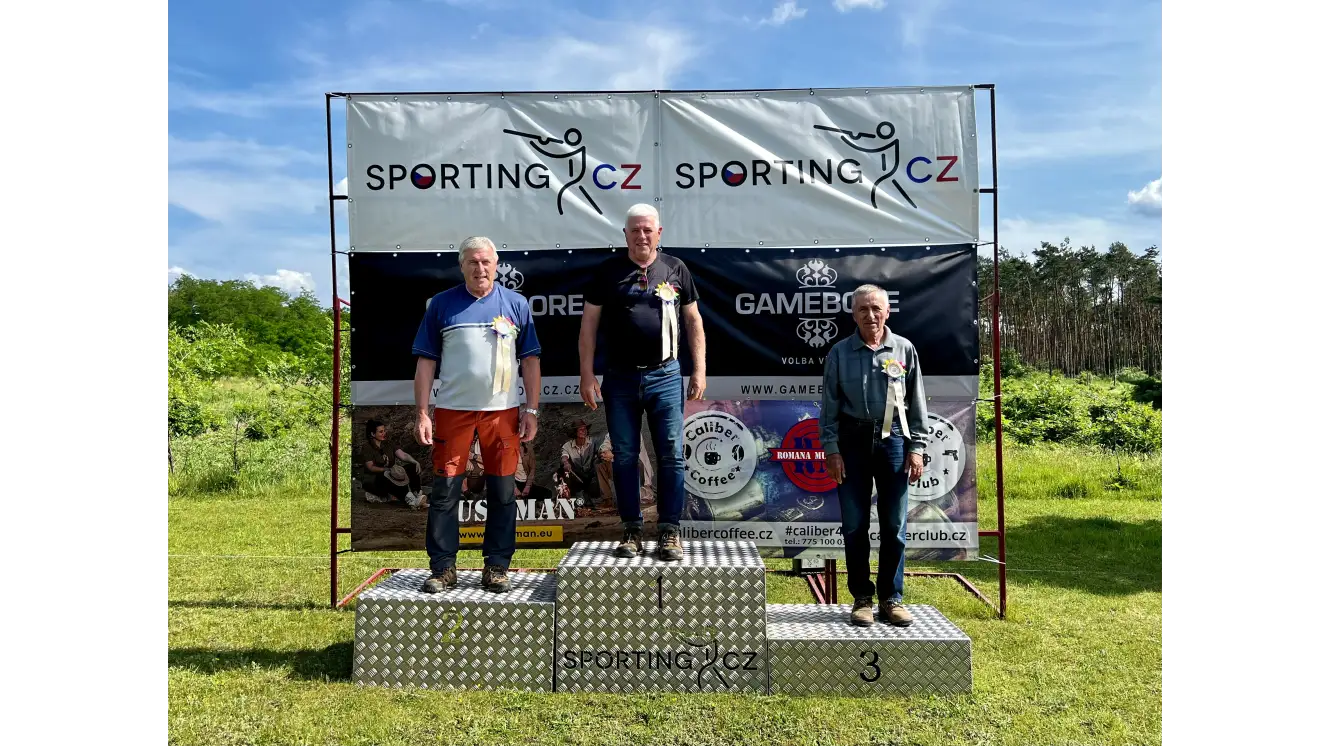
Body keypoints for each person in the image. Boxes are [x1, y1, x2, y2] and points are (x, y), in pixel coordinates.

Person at [412, 236, 542, 594]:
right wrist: (422, 412)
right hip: (452, 413)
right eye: (472, 262)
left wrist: (531, 409)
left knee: (503, 493)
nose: (480, 268)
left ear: (496, 264)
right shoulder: (441, 304)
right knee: (444, 493)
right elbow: (425, 363)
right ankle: (443, 568)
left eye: (486, 262)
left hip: (503, 415)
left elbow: (530, 361)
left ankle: (497, 566)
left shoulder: (516, 304)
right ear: (462, 266)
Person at [578, 203, 707, 561]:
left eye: (648, 229)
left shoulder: (676, 268)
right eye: (635, 230)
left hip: (665, 375)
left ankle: (670, 530)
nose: (641, 236)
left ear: (659, 233)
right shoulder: (607, 271)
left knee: (672, 454)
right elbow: (588, 325)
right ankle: (631, 529)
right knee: (624, 455)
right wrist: (586, 373)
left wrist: (699, 370)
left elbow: (693, 321)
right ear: (625, 234)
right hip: (619, 378)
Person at [818, 284, 927, 627]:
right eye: (863, 309)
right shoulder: (839, 353)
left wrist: (917, 448)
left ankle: (891, 598)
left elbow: (917, 402)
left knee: (894, 526)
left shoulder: (904, 349)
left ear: (887, 312)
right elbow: (829, 406)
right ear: (853, 314)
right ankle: (862, 598)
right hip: (851, 441)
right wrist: (831, 449)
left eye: (876, 308)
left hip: (894, 441)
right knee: (854, 525)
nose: (870, 315)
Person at [359, 419, 424, 508]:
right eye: (381, 432)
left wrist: (415, 461)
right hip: (376, 479)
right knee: (386, 475)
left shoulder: (388, 443)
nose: (384, 433)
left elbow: (403, 455)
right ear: (373, 434)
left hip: (391, 474)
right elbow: (371, 467)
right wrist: (386, 470)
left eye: (384, 431)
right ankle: (409, 499)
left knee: (412, 467)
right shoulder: (367, 447)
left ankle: (417, 494)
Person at [560, 419, 603, 508]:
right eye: (581, 429)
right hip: (576, 475)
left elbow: (600, 451)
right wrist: (566, 463)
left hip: (590, 472)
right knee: (562, 469)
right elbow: (564, 456)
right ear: (575, 432)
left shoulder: (592, 442)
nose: (584, 431)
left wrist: (602, 454)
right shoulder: (567, 445)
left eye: (585, 429)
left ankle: (595, 497)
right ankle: (574, 496)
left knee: (600, 464)